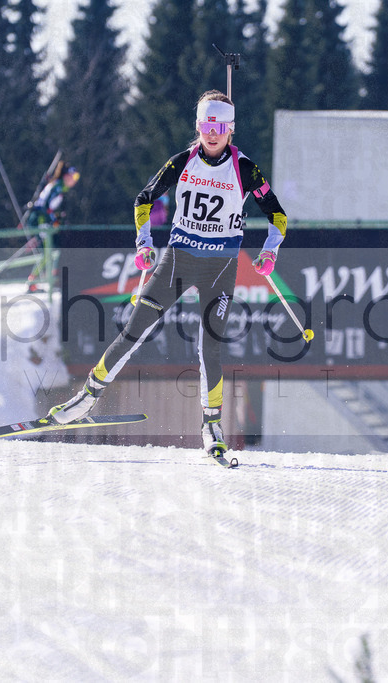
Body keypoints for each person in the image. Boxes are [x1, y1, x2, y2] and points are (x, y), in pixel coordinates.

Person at [46, 90, 288, 458]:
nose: (213, 132)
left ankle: (211, 424)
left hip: (220, 268)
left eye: (220, 126)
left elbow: (278, 216)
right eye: (207, 124)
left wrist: (270, 250)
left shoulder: (244, 168)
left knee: (210, 345)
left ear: (230, 130)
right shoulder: (182, 162)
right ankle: (87, 397)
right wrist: (144, 243)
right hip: (177, 260)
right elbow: (143, 200)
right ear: (198, 126)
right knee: (135, 330)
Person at [27, 162, 80, 229]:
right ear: (66, 176)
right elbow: (46, 205)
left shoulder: (61, 187)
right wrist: (53, 220)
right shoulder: (58, 187)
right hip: (40, 217)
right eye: (74, 177)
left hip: (42, 216)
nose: (75, 180)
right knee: (41, 238)